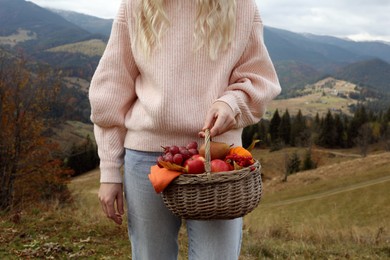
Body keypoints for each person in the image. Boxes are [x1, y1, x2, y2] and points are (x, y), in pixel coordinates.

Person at [89, 0, 281, 259]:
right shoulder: (136, 4)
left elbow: (260, 78)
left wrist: (231, 102)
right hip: (148, 159)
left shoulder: (241, 5)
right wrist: (110, 171)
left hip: (218, 160)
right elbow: (112, 89)